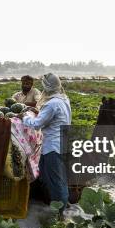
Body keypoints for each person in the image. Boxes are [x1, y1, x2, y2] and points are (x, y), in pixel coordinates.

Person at [21, 73, 71, 212]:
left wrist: (24, 116)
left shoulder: (52, 103)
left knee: (55, 181)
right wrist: (37, 110)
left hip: (53, 147)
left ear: (47, 87)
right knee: (55, 176)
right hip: (61, 143)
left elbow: (36, 124)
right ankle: (62, 204)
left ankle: (60, 212)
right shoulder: (63, 99)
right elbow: (49, 116)